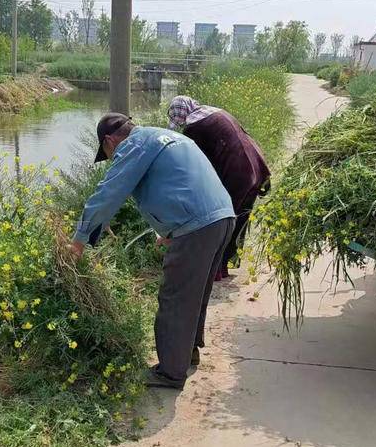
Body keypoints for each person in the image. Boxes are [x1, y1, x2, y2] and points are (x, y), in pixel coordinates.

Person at [69, 112, 236, 389]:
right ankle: (188, 353)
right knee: (195, 293)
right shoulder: (166, 137)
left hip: (197, 227)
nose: (111, 159)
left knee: (175, 299)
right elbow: (181, 183)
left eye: (108, 154)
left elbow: (109, 191)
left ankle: (170, 372)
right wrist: (170, 231)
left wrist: (78, 241)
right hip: (221, 218)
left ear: (110, 141)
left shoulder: (135, 145)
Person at [168, 95, 271, 280]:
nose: (182, 125)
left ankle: (215, 271)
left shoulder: (194, 127)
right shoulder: (213, 112)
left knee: (222, 221)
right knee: (240, 219)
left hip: (238, 174)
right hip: (255, 167)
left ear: (182, 115)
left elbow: (198, 164)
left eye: (179, 121)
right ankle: (227, 264)